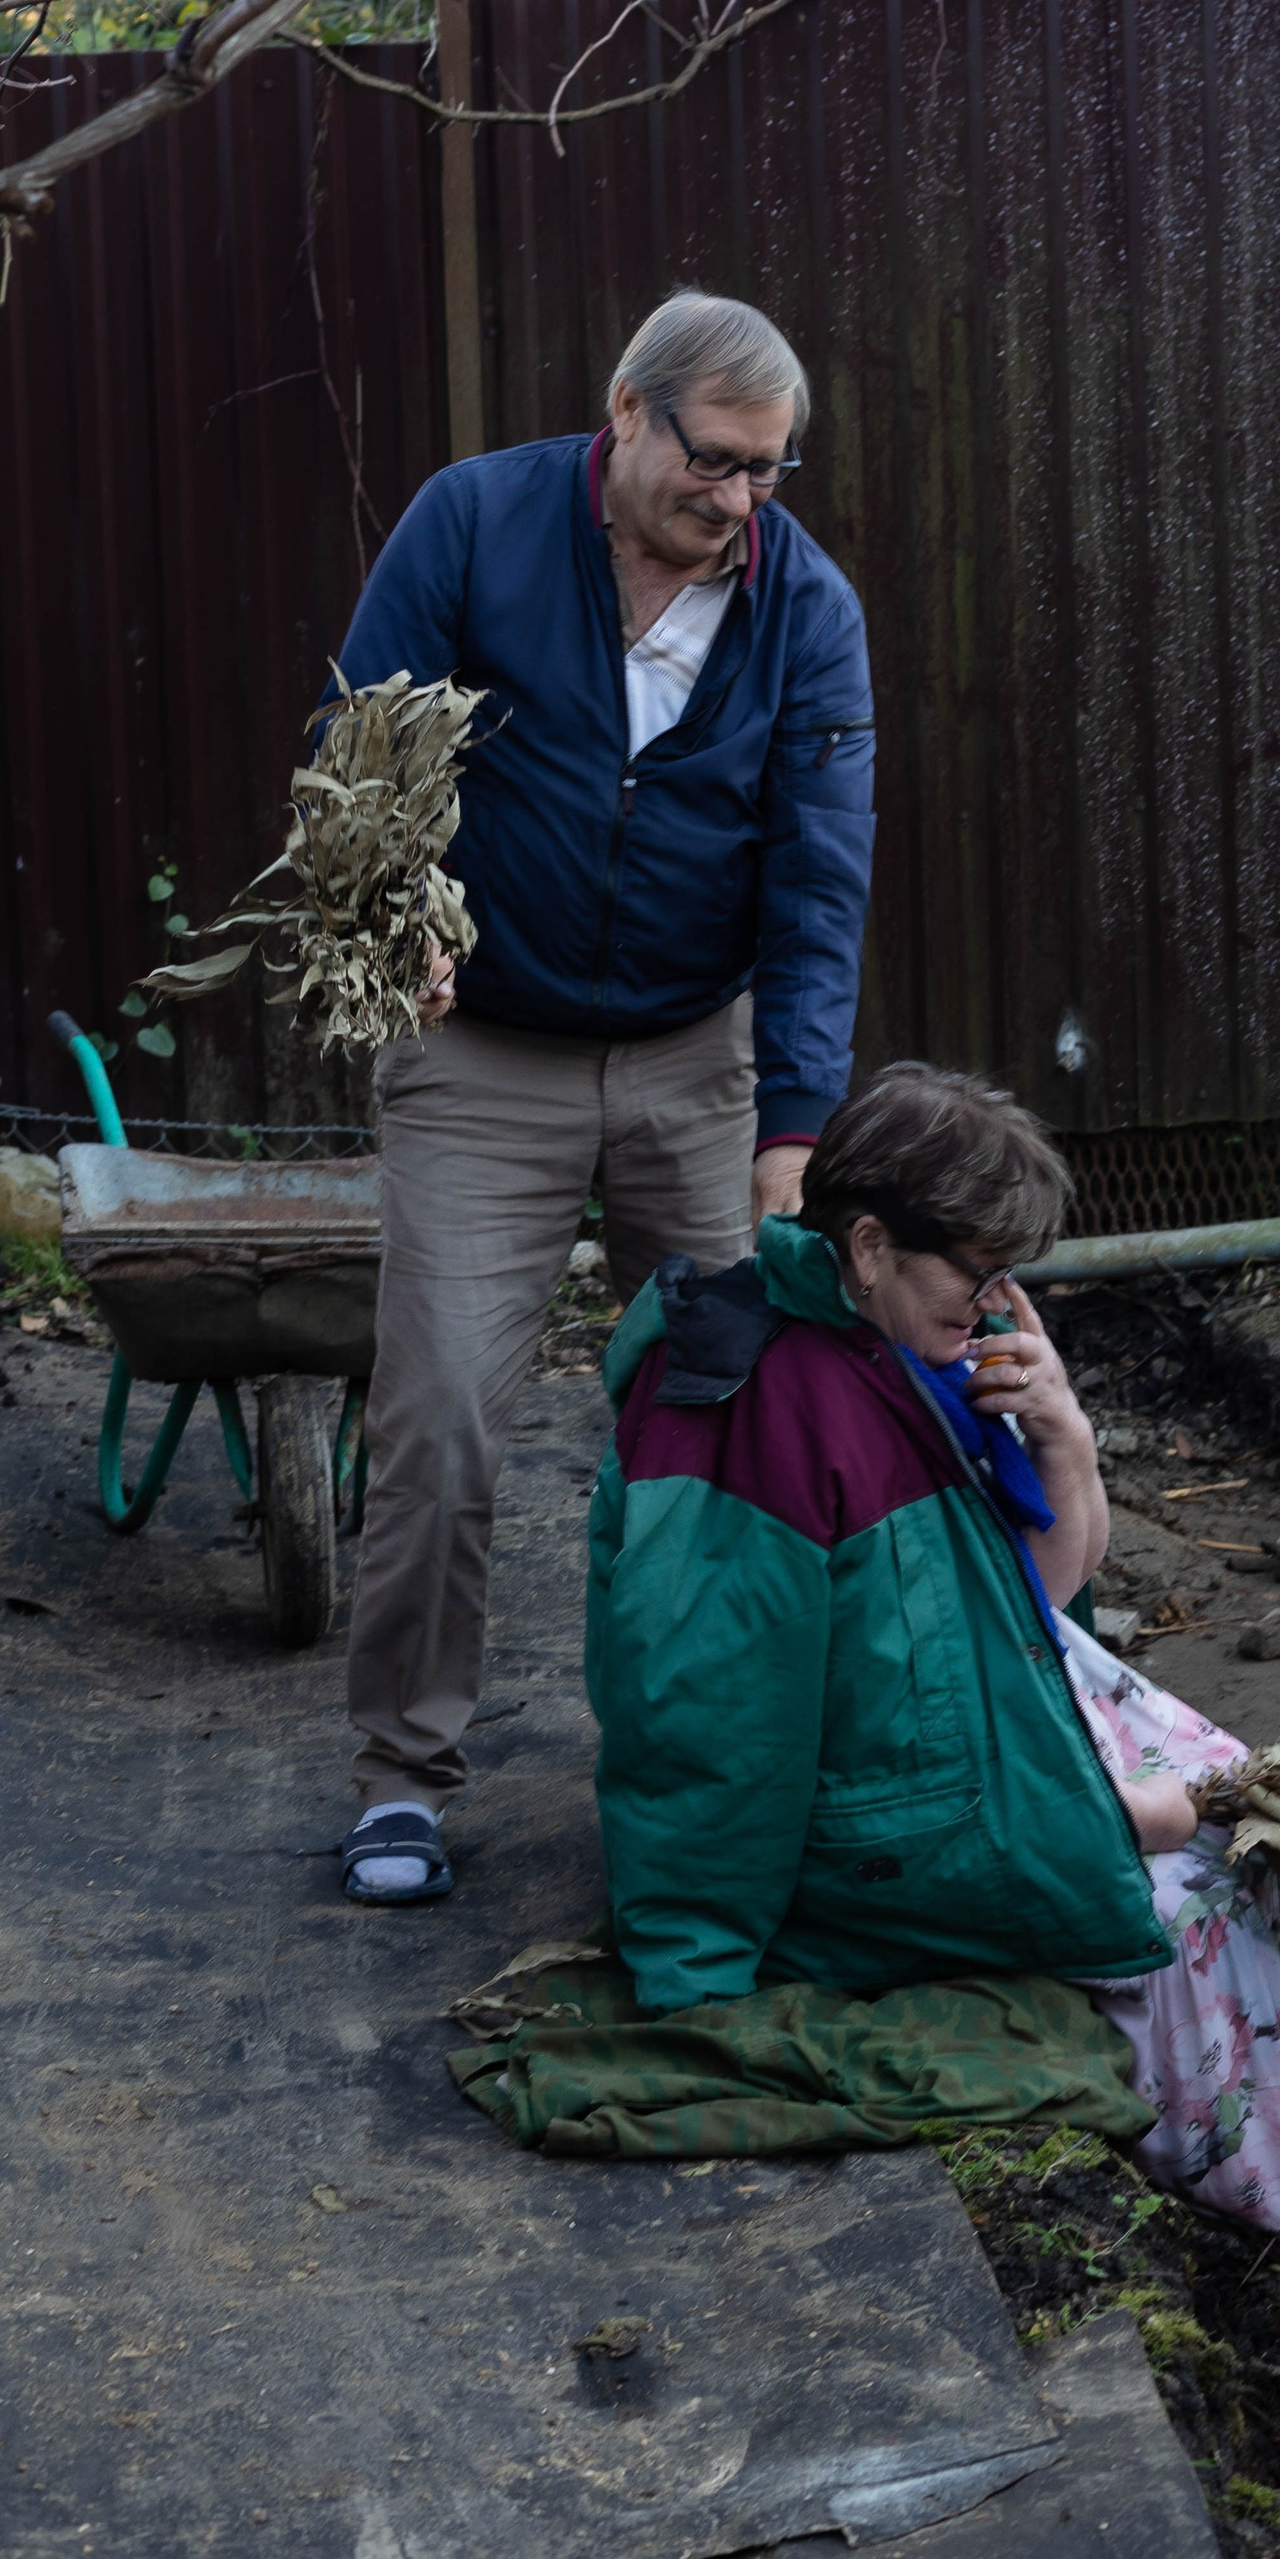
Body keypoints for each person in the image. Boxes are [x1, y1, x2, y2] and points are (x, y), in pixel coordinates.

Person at [584, 1060, 1280, 2245]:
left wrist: (1064, 1437)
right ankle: (1267, 2211)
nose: (994, 1302)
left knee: (1235, 1812)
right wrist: (697, 1980)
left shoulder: (903, 1348)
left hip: (921, 1750)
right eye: (974, 1271)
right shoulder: (751, 1408)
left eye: (1005, 1275)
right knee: (1196, 1895)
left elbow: (1040, 1600)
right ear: (870, 1241)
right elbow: (705, 1723)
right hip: (858, 1845)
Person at [334, 293, 875, 1905]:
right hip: (477, 1053)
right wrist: (393, 920)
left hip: (690, 1066)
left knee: (718, 1428)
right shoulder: (475, 522)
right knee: (437, 1416)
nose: (740, 505)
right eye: (715, 464)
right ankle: (405, 1779)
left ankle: (708, 1768)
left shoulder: (804, 608)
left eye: (770, 474)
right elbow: (360, 749)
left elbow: (821, 882)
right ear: (626, 413)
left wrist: (794, 1126)